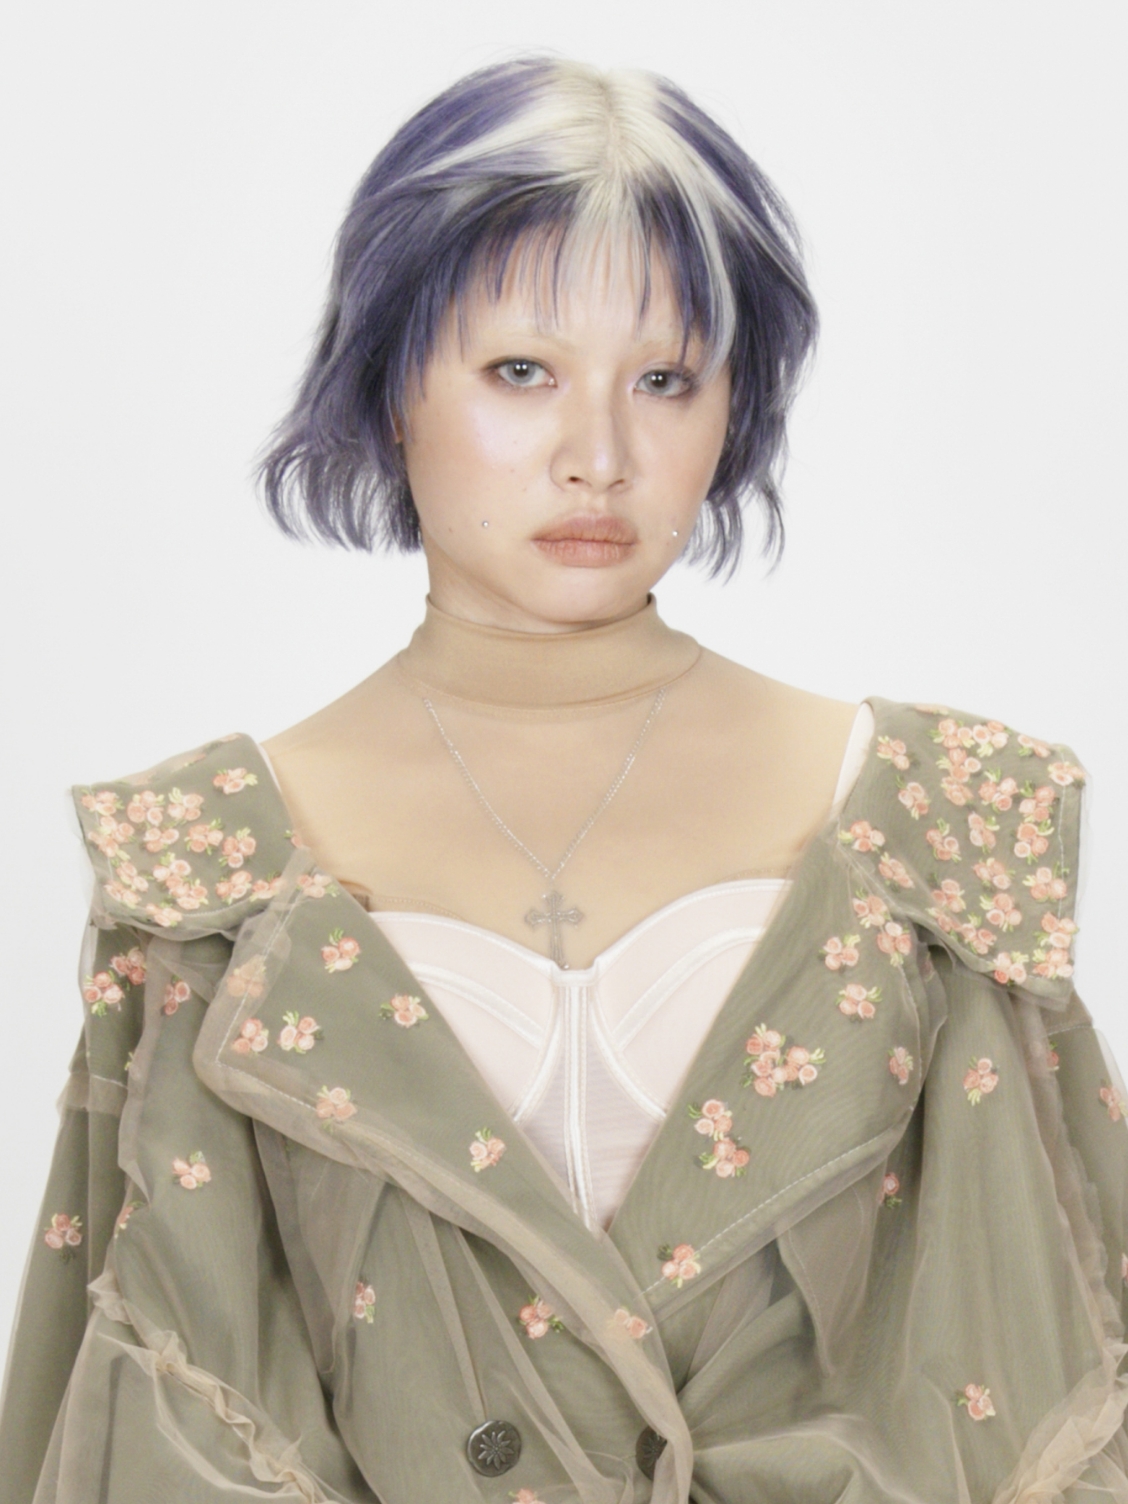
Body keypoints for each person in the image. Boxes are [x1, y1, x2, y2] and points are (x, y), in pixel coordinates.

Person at [2, 53, 1126, 1504]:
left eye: (664, 380)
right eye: (520, 372)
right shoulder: (202, 880)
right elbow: (135, 1410)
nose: (599, 455)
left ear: (734, 407)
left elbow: (1058, 1376)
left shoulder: (940, 833)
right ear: (390, 380)